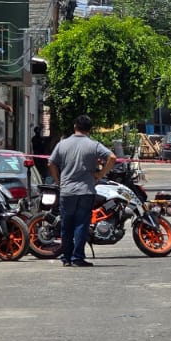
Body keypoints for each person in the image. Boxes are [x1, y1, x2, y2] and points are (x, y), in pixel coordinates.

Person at [48, 114, 113, 268]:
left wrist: (58, 181)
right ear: (89, 129)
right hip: (86, 191)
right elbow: (112, 157)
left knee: (67, 225)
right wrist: (100, 174)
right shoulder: (93, 145)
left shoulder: (62, 144)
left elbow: (51, 163)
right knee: (81, 225)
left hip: (67, 191)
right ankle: (78, 257)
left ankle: (66, 257)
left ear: (75, 126)